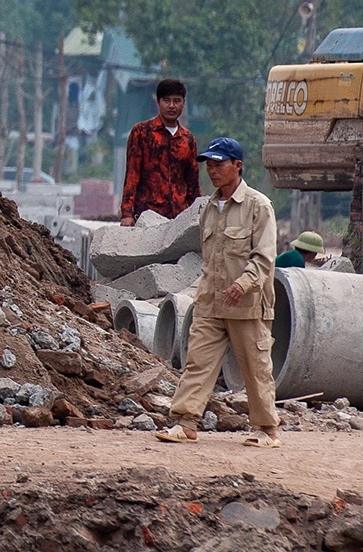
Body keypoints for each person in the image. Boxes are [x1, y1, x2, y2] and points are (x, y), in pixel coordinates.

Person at [156, 137, 281, 448]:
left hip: (248, 304)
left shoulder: (258, 206)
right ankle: (186, 423)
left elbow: (264, 256)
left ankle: (266, 430)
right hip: (211, 301)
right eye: (208, 164)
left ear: (237, 165)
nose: (212, 170)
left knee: (255, 367)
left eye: (219, 163)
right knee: (198, 362)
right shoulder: (209, 207)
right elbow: (208, 255)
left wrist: (243, 283)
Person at [120, 79, 199, 226]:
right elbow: (132, 174)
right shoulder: (141, 133)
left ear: (183, 103)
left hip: (179, 218)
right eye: (166, 100)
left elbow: (192, 182)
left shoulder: (188, 139)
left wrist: (197, 214)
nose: (171, 106)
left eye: (176, 101)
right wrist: (127, 213)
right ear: (158, 101)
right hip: (147, 215)